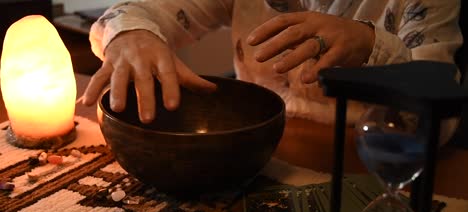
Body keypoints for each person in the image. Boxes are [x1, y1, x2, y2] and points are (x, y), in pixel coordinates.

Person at [82, 0, 462, 127]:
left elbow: (440, 125)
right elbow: (136, 12)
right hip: (267, 155)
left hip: (367, 163)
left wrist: (372, 46)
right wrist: (129, 35)